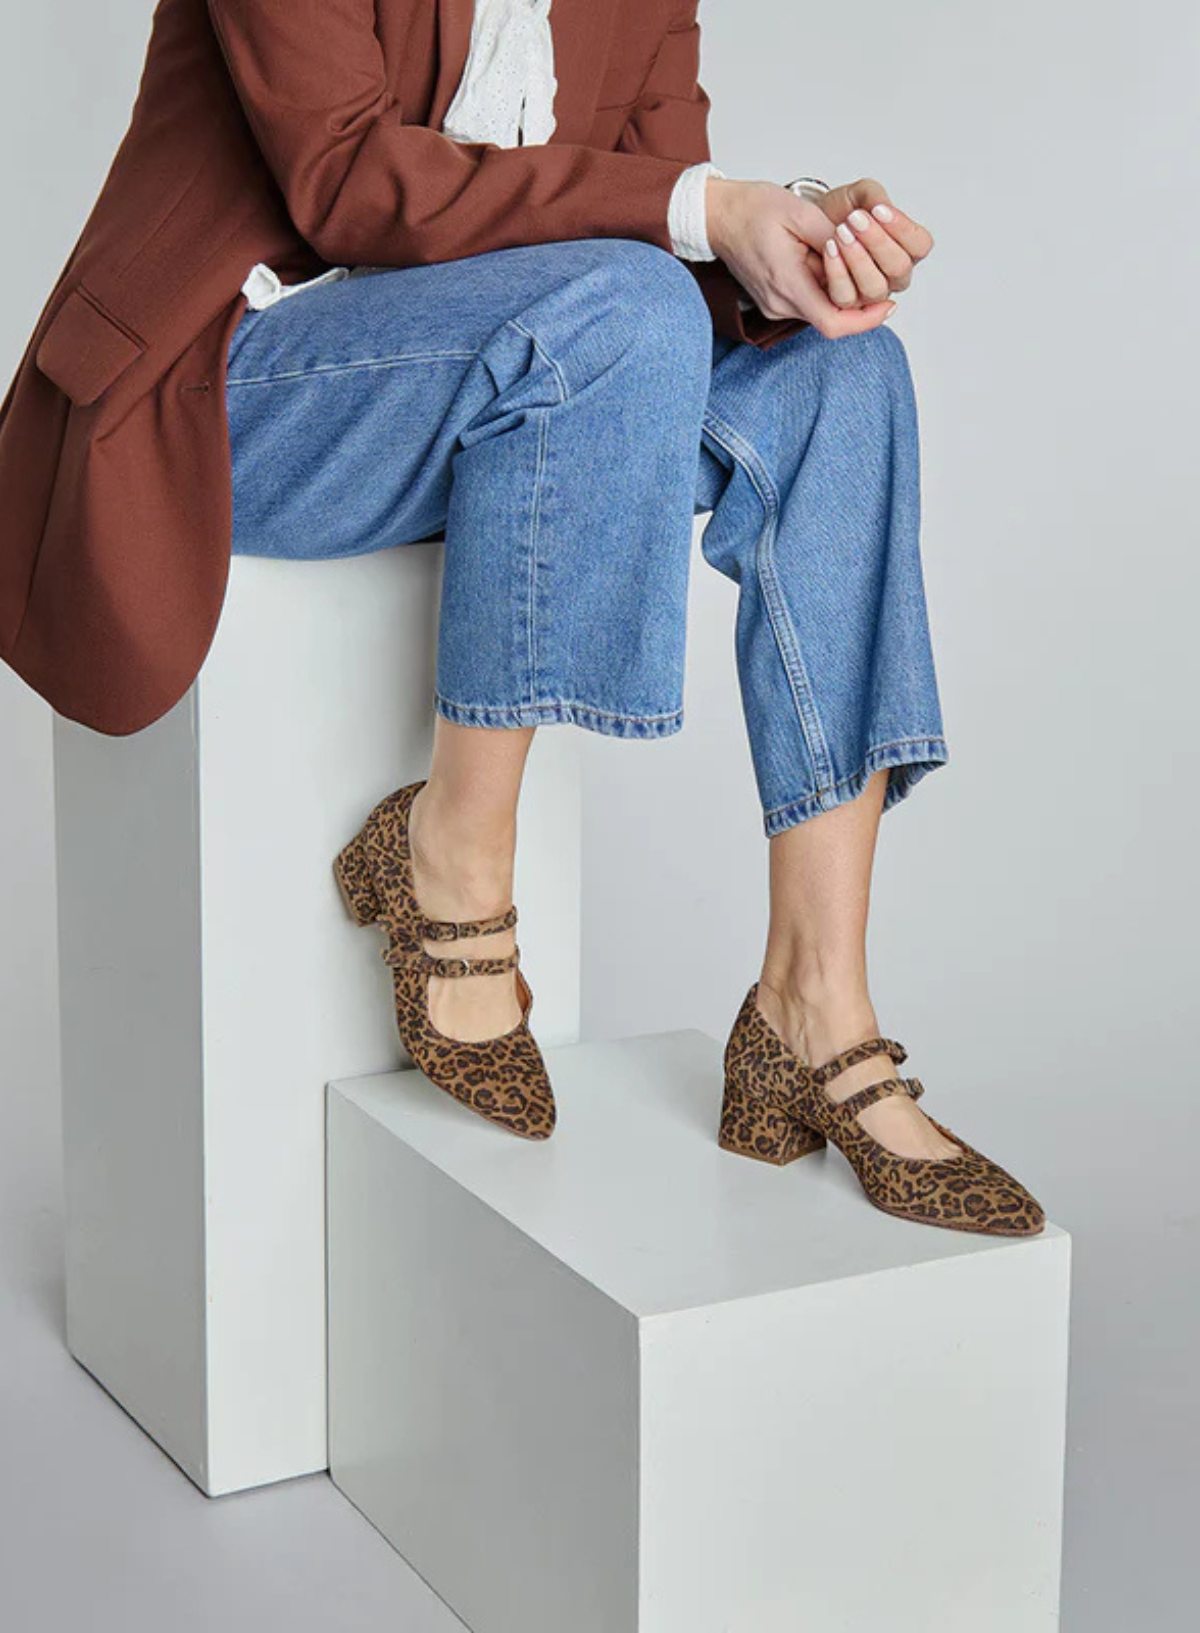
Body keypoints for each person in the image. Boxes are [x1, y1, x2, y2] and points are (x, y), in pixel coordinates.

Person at [3, 0, 1044, 1237]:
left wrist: (790, 241)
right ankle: (449, 850)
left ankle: (813, 1003)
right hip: (231, 375)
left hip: (500, 365)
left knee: (846, 372)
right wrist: (701, 211)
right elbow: (346, 184)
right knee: (622, 304)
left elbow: (658, 208)